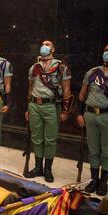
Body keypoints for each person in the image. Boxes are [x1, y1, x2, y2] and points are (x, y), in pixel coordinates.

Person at [77, 44, 108, 196]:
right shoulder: (93, 72)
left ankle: (103, 182)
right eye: (106, 50)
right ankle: (94, 180)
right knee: (93, 149)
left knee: (106, 151)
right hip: (90, 115)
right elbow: (82, 95)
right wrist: (80, 114)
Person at [24, 40, 73, 183]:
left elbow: (66, 90)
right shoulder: (34, 67)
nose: (43, 47)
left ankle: (48, 169)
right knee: (37, 138)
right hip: (34, 105)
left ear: (53, 49)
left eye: (47, 45)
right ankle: (38, 167)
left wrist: (65, 111)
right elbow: (30, 88)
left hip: (51, 106)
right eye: (42, 44)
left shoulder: (61, 67)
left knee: (50, 140)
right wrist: (28, 107)